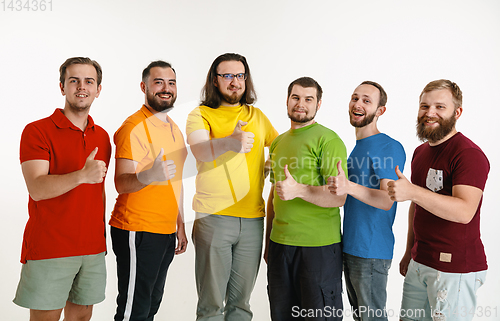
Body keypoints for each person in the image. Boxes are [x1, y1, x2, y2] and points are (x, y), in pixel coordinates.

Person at [13, 57, 111, 321]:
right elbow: (37, 188)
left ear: (98, 89)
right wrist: (81, 175)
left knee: (81, 318)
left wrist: (101, 240)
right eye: (74, 80)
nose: (82, 87)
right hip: (51, 247)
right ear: (62, 87)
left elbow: (98, 192)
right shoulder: (37, 131)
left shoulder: (101, 136)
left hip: (92, 248)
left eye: (89, 81)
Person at [186, 53, 278, 321]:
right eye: (227, 75)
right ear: (214, 81)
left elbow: (281, 148)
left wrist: (274, 165)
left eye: (239, 75)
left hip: (252, 220)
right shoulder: (200, 114)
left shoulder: (257, 116)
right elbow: (200, 151)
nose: (234, 82)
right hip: (213, 217)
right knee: (211, 306)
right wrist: (230, 142)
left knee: (241, 306)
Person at [387, 79, 488, 321]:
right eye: (424, 106)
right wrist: (409, 251)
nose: (429, 113)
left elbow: (465, 211)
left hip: (455, 269)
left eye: (440, 107)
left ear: (457, 112)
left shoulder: (469, 154)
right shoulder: (421, 152)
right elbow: (417, 204)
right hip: (420, 260)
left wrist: (413, 192)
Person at [110, 61, 188, 321]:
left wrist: (180, 223)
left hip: (165, 231)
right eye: (158, 82)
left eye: (171, 83)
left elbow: (175, 182)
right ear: (144, 87)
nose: (166, 88)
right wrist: (149, 175)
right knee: (134, 309)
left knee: (151, 305)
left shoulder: (174, 129)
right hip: (137, 230)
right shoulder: (133, 127)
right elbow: (121, 183)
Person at [265, 77, 347, 321]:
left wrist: (299, 190)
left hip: (318, 248)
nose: (301, 104)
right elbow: (274, 194)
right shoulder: (278, 142)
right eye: (296, 97)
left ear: (318, 104)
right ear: (287, 101)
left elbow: (339, 197)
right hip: (280, 246)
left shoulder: (328, 140)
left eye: (308, 99)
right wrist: (269, 241)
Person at [328, 81, 405, 321]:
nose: (358, 104)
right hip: (350, 247)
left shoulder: (388, 146)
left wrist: (348, 186)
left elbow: (387, 199)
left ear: (380, 111)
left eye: (366, 100)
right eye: (355, 98)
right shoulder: (357, 148)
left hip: (371, 252)